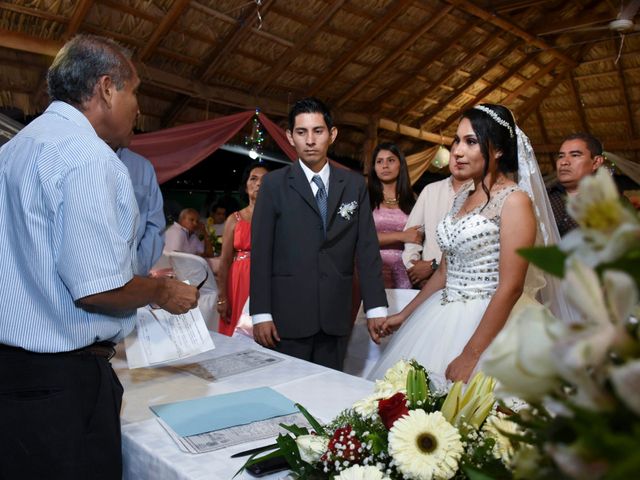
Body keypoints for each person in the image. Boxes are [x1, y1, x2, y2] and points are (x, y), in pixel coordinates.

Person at [0, 35, 198, 479]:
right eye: (135, 92)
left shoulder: (13, 150)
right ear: (107, 88)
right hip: (62, 386)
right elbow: (98, 289)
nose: (138, 108)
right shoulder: (88, 158)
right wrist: (163, 291)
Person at [369, 103, 542, 384]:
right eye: (457, 141)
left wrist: (471, 355)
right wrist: (404, 315)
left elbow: (511, 286)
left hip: (490, 319)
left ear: (498, 149)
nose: (458, 151)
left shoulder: (515, 201)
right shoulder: (462, 197)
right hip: (442, 312)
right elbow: (444, 272)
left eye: (471, 141)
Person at [250, 97, 387, 370]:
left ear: (332, 134)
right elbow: (261, 251)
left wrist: (376, 308)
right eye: (301, 132)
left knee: (328, 397)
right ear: (290, 136)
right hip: (286, 316)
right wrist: (260, 313)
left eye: (318, 131)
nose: (310, 140)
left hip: (336, 313)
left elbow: (367, 250)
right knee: (288, 397)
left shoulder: (354, 185)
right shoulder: (274, 185)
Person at [217, 161, 268, 336]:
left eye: (264, 179)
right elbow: (224, 262)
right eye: (253, 179)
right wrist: (222, 297)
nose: (259, 183)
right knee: (237, 328)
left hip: (267, 280)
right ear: (246, 187)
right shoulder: (234, 219)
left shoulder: (278, 219)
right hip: (239, 282)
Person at [402, 169, 467, 288]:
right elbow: (413, 233)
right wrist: (414, 269)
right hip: (426, 282)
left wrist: (434, 266)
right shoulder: (431, 190)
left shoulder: (482, 193)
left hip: (465, 282)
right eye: (454, 150)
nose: (458, 155)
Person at [368, 142, 420, 289]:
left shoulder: (414, 200)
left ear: (400, 165)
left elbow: (418, 236)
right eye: (379, 161)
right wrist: (401, 236)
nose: (385, 165)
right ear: (374, 168)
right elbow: (361, 238)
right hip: (372, 270)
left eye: (390, 160)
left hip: (405, 273)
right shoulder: (365, 198)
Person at [117, 147, 165, 275]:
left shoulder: (142, 167)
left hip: (134, 274)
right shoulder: (78, 159)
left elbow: (155, 225)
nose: (132, 126)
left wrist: (137, 268)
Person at [547, 132, 604, 236]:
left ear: (596, 162)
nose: (564, 162)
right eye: (561, 156)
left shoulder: (610, 202)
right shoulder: (544, 197)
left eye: (575, 155)